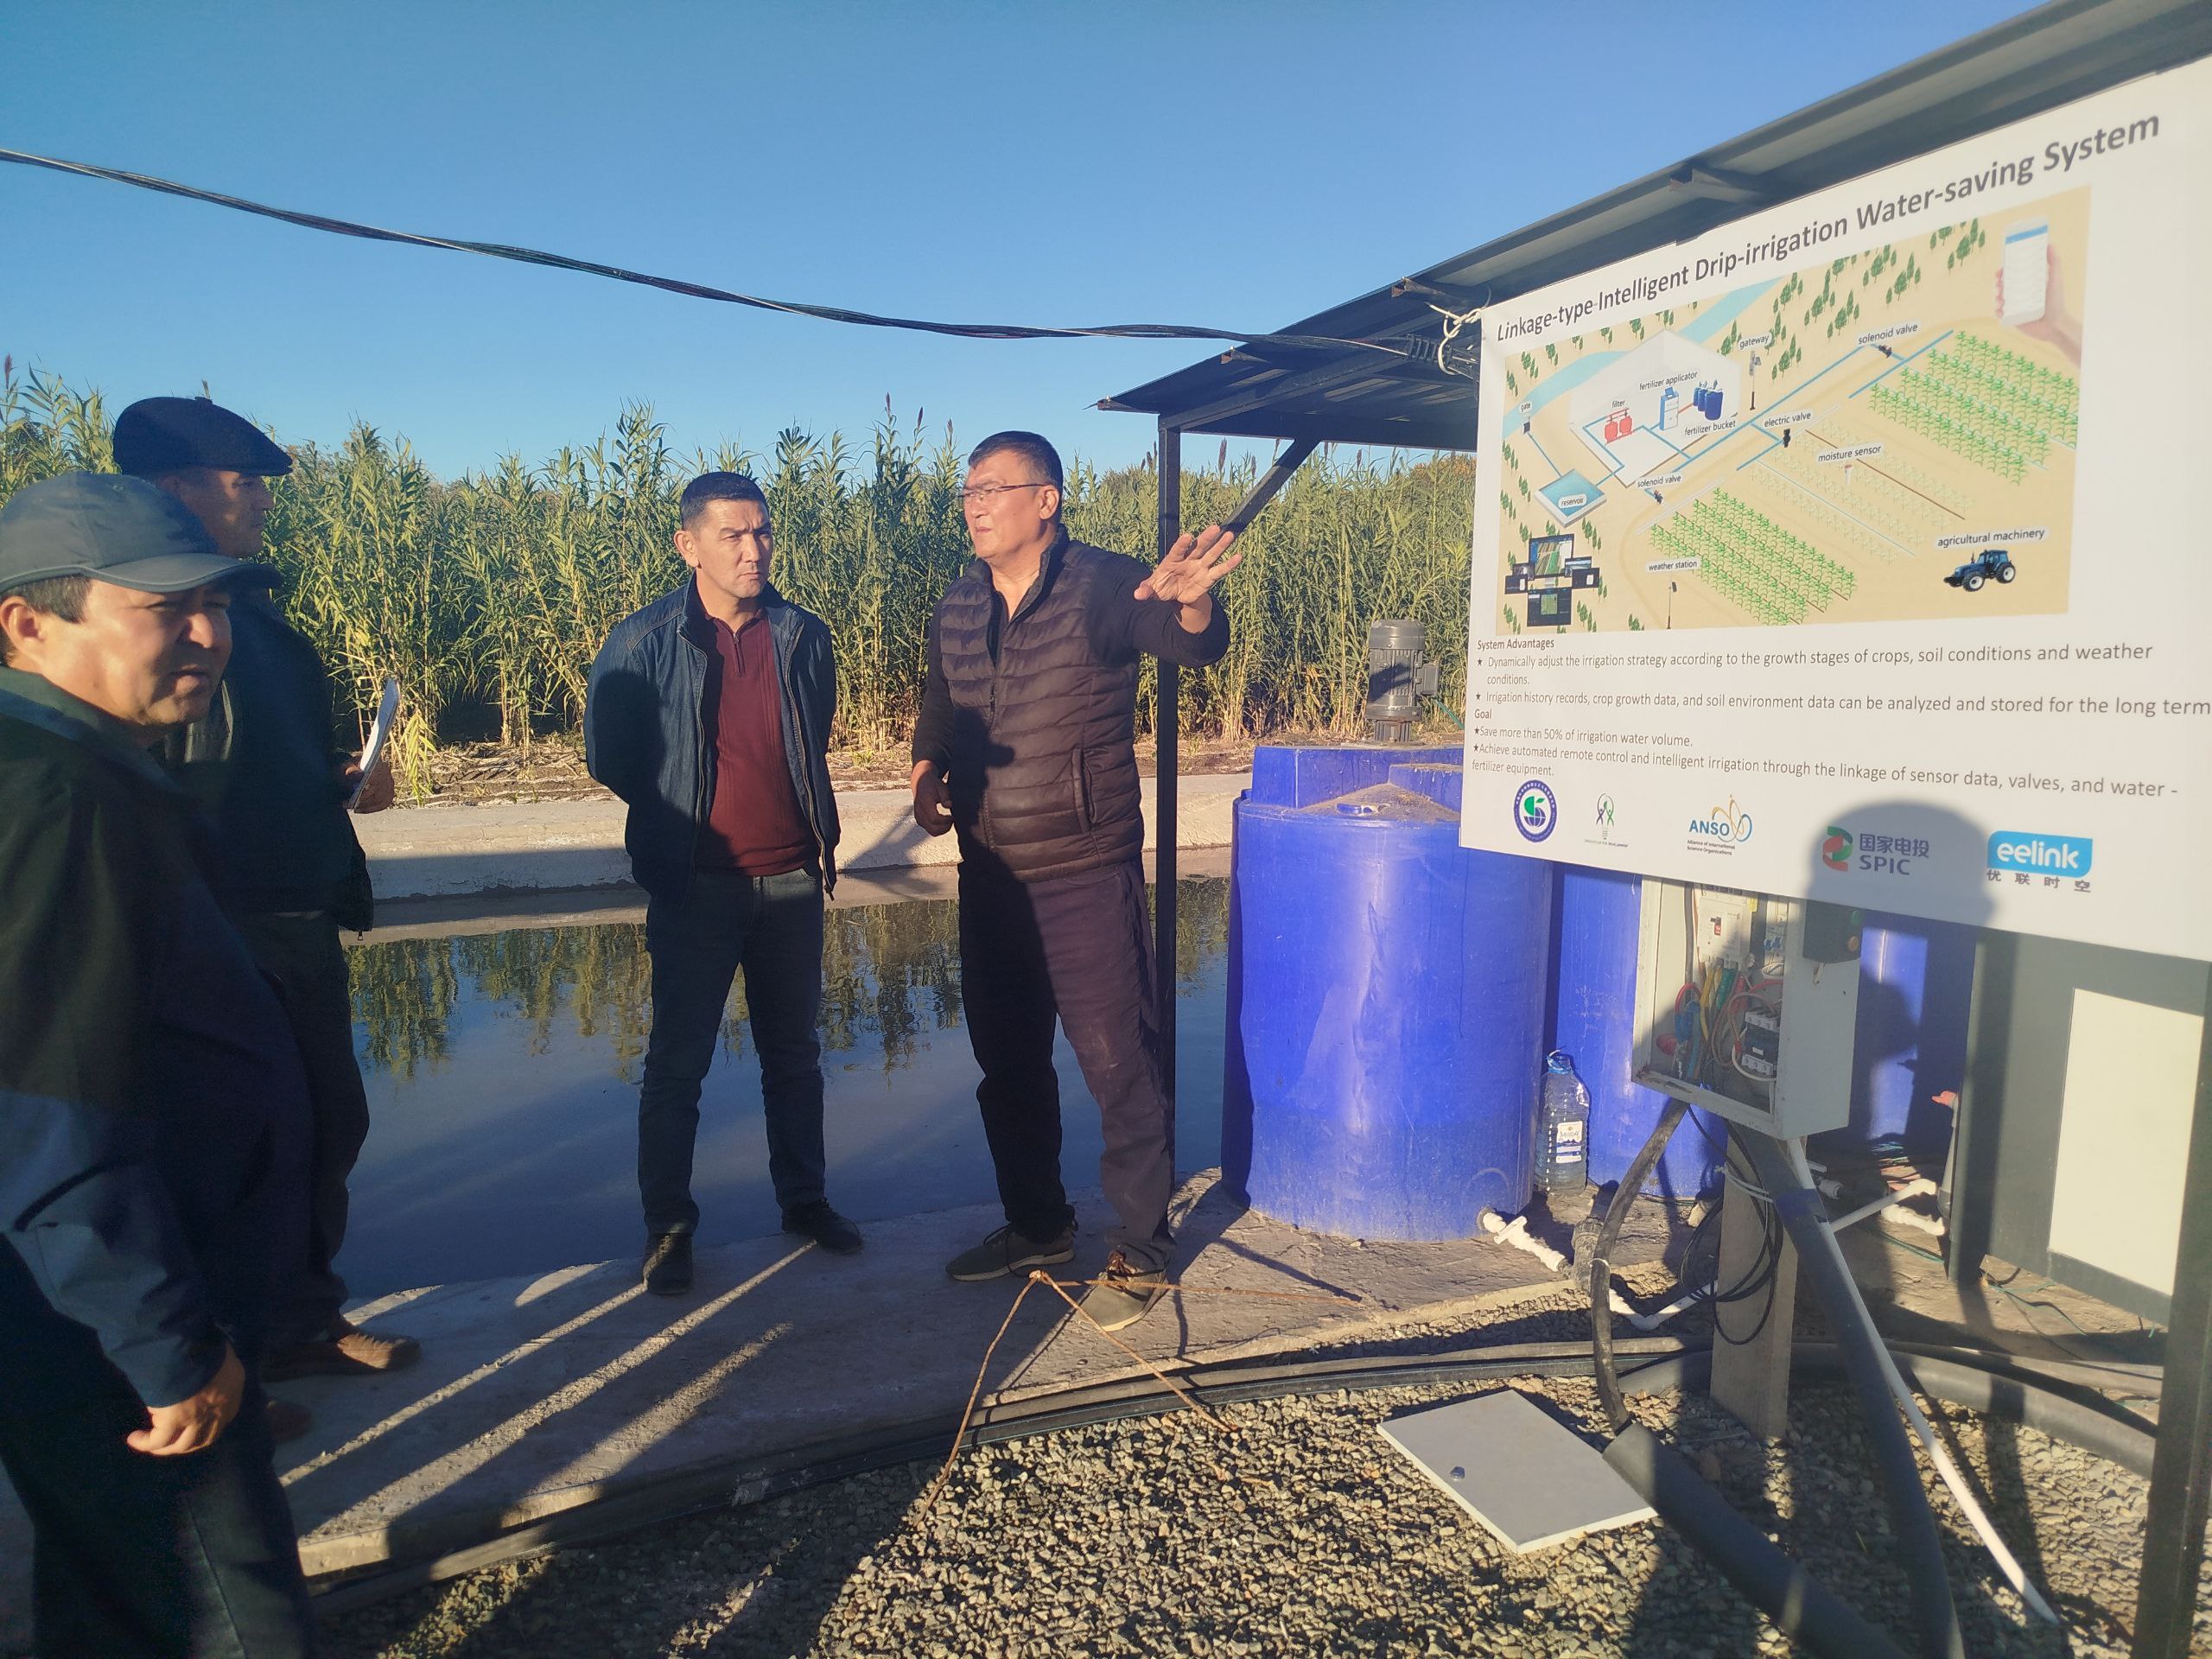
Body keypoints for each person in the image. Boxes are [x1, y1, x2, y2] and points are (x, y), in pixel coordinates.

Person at [0, 473, 318, 1657]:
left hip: (86, 1299)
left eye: (217, 605)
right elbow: (48, 1110)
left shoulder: (79, 766)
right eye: (164, 607)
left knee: (112, 1594)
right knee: (227, 1608)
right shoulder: (58, 800)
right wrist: (168, 1346)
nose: (208, 634)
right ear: (28, 623)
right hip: (108, 1321)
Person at [112, 397, 421, 1395]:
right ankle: (221, 1360)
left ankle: (298, 1321)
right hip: (214, 930)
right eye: (242, 482)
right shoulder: (138, 634)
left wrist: (346, 780)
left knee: (326, 1125)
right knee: (228, 1147)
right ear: (174, 491)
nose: (260, 500)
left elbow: (270, 765)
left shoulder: (263, 629)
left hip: (298, 919)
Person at [912, 431, 1240, 1332]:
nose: (976, 505)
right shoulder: (959, 601)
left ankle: (1142, 1248)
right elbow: (941, 698)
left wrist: (1193, 605)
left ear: (1046, 500)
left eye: (994, 488)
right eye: (968, 491)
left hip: (1084, 870)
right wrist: (926, 766)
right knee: (1007, 1066)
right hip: (991, 876)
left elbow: (1185, 641)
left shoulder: (1102, 584)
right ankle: (1038, 1227)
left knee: (1118, 1065)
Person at [585, 471, 858, 1295]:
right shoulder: (643, 642)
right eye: (733, 534)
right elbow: (612, 757)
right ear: (688, 545)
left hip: (790, 880)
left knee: (795, 1056)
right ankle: (669, 1227)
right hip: (695, 884)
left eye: (762, 532)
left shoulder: (802, 635)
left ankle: (805, 1201)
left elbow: (814, 731)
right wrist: (682, 817)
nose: (753, 549)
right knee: (678, 1065)